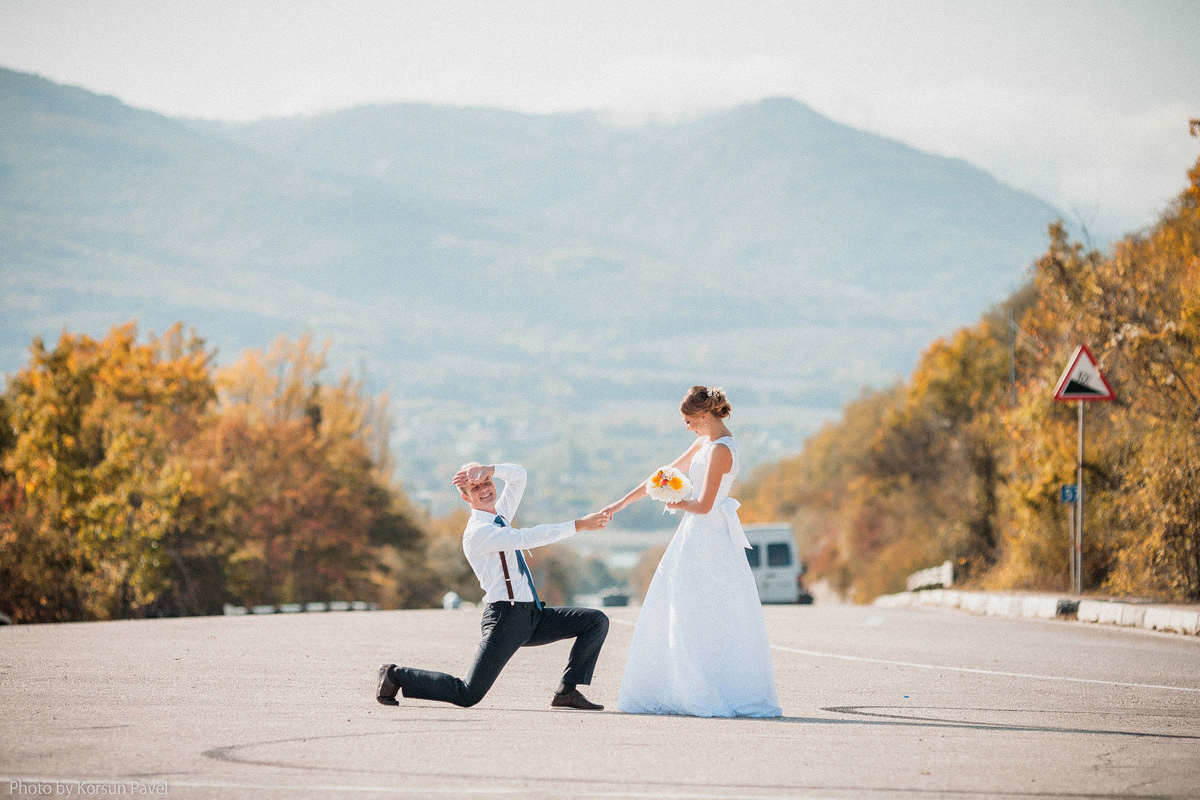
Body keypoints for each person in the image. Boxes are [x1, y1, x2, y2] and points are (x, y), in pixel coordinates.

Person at [602, 386, 782, 717]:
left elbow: (703, 505)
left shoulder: (721, 451)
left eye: (688, 421)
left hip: (710, 537)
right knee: (681, 605)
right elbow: (661, 474)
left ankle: (704, 684)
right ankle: (677, 683)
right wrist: (621, 503)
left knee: (703, 607)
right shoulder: (705, 443)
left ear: (703, 416)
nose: (686, 428)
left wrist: (675, 501)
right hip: (695, 534)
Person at [377, 462, 612, 710]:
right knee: (467, 694)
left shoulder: (499, 517)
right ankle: (395, 676)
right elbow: (524, 538)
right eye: (475, 487)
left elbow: (519, 476)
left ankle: (567, 692)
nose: (484, 489)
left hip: (533, 616)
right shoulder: (478, 532)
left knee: (595, 621)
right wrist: (579, 525)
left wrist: (490, 469)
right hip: (505, 619)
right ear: (465, 496)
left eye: (487, 482)